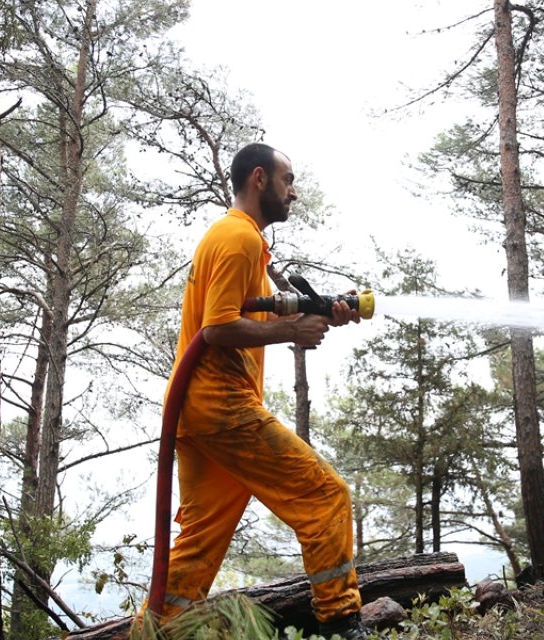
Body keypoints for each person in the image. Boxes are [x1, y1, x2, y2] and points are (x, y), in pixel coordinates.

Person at [159, 143, 369, 639]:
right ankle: (340, 621)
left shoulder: (236, 238)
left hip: (197, 409)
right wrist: (293, 333)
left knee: (201, 537)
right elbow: (217, 329)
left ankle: (162, 627)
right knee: (325, 497)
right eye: (287, 180)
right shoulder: (238, 238)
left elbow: (248, 314)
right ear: (259, 179)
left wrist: (318, 315)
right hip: (223, 406)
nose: (293, 192)